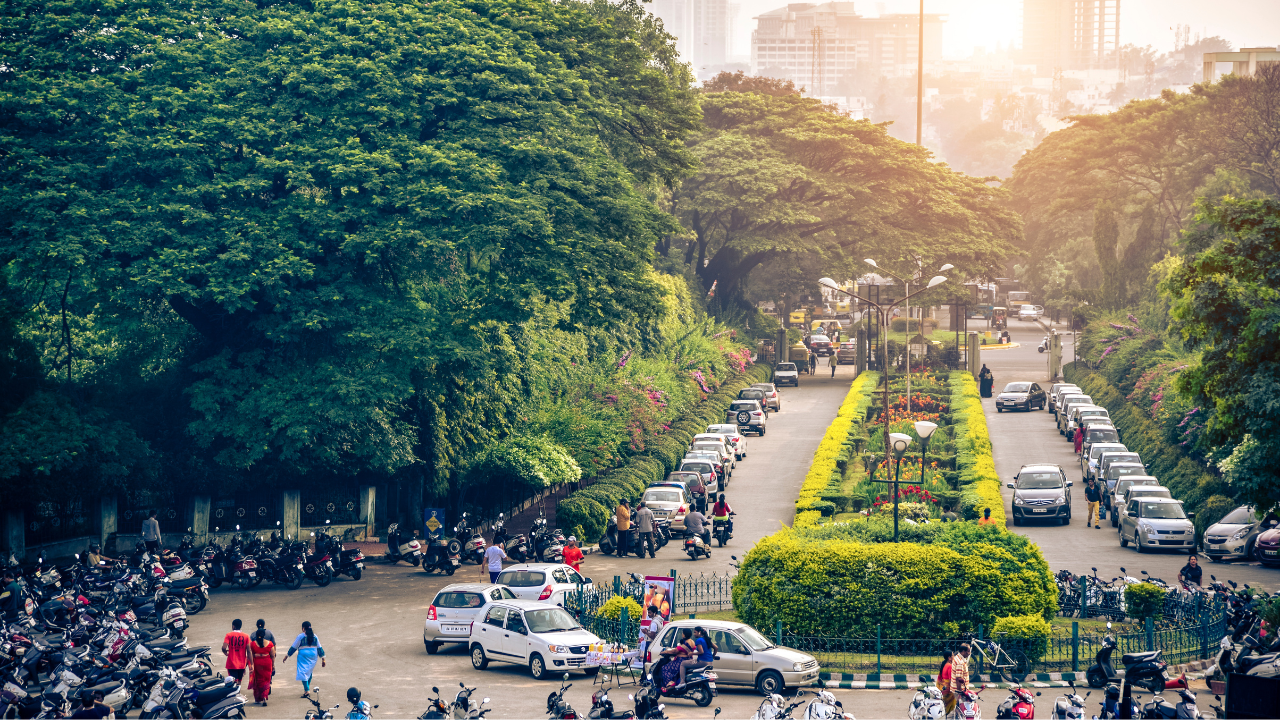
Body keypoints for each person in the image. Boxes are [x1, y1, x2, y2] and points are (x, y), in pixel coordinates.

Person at [284, 621, 325, 696]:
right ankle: (306, 688)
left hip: (303, 656)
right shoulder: (315, 636)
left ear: (303, 629)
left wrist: (287, 655)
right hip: (313, 656)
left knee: (303, 672)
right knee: (309, 671)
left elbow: (294, 647)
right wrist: (323, 658)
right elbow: (319, 647)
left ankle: (307, 690)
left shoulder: (301, 636)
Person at [246, 626, 276, 705]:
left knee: (258, 680)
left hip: (257, 663)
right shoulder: (270, 644)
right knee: (266, 680)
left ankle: (258, 698)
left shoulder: (252, 644)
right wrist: (273, 665)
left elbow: (250, 655)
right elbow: (273, 655)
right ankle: (264, 697)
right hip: (267, 663)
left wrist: (251, 665)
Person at [222, 618, 251, 684]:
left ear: (233, 626)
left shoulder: (228, 635)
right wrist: (251, 663)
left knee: (232, 681)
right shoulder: (246, 636)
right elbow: (249, 651)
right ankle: (238, 692)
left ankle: (234, 693)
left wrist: (225, 652)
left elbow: (224, 647)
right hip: (242, 663)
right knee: (239, 681)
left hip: (231, 663)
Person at [936, 650, 956, 716]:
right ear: (949, 657)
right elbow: (951, 680)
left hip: (943, 687)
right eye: (953, 655)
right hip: (948, 689)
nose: (954, 657)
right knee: (950, 705)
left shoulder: (944, 665)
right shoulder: (950, 666)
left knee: (945, 705)